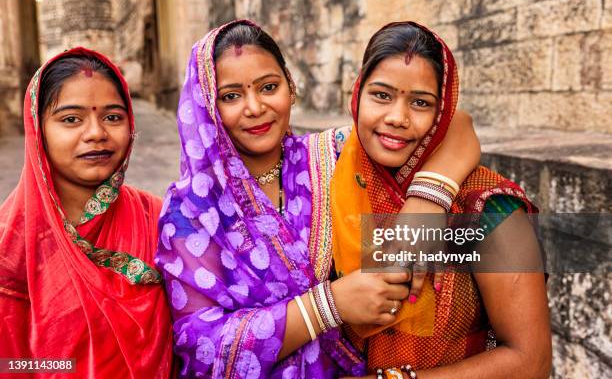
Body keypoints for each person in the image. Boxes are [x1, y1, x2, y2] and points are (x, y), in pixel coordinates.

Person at [155, 20, 481, 378]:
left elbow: (455, 125)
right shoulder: (190, 211)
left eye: (269, 87)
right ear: (206, 107)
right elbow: (201, 347)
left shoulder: (336, 156)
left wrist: (425, 204)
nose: (254, 107)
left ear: (291, 88)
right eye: (231, 95)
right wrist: (328, 306)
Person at [331, 22, 552, 378]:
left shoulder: (489, 207)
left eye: (420, 102)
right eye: (381, 95)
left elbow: (531, 362)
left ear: (442, 112)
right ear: (356, 96)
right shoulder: (322, 173)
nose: (397, 118)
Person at [0, 48, 174, 377]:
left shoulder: (158, 219)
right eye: (71, 119)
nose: (96, 133)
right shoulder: (10, 246)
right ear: (38, 131)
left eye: (112, 117)